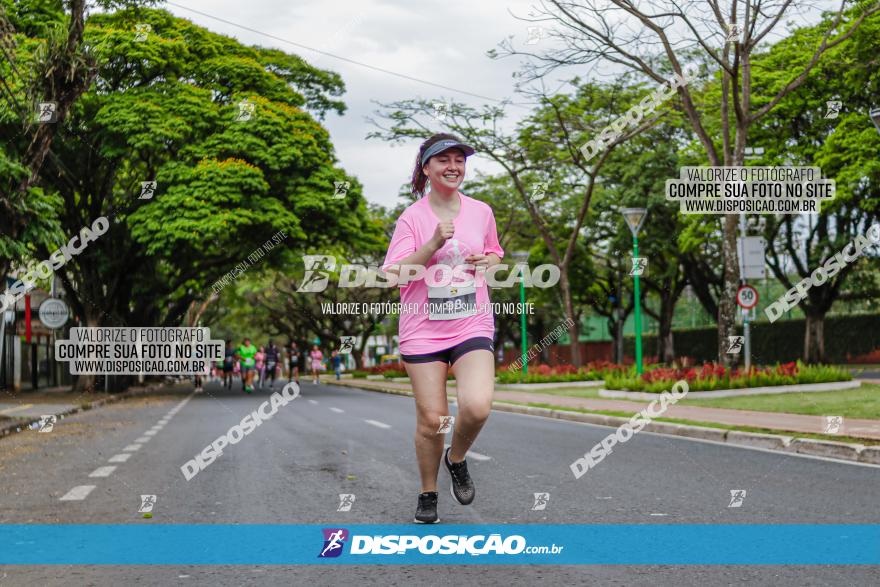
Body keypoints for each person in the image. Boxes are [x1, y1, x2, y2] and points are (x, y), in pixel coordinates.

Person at [382, 134, 503, 524]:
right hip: (423, 328)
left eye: (459, 160)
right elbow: (393, 276)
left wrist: (487, 262)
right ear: (426, 169)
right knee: (433, 419)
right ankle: (428, 492)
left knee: (477, 405)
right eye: (443, 160)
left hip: (471, 320)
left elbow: (496, 256)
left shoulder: (481, 211)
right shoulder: (412, 218)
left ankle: (457, 458)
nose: (453, 166)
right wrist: (433, 242)